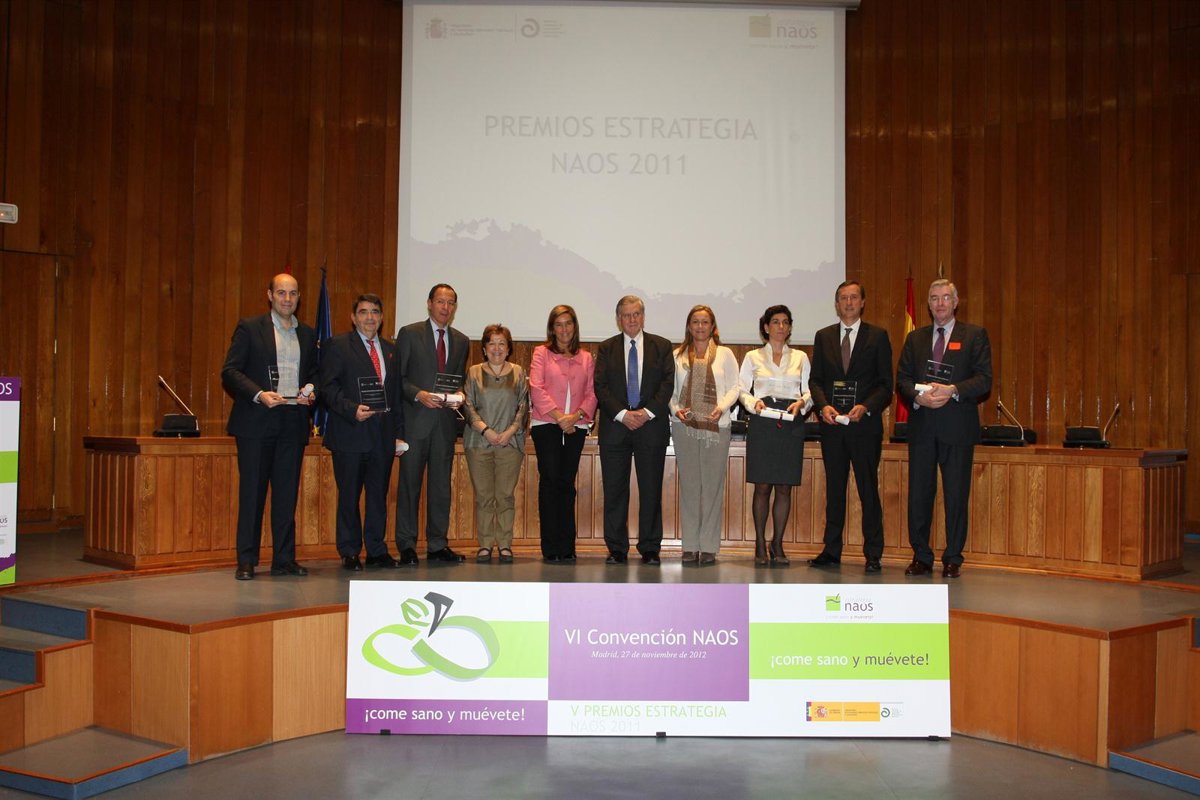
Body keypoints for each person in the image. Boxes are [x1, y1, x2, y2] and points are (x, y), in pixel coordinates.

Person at [221, 273, 317, 581]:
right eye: (281, 293)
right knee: (252, 494)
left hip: (293, 422)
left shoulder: (307, 334)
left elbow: (314, 374)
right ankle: (247, 560)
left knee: (286, 496)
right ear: (270, 295)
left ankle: (284, 559)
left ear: (299, 297)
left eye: (293, 293)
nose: (287, 299)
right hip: (256, 423)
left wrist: (310, 390)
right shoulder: (250, 328)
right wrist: (260, 394)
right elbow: (230, 371)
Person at [896, 278, 992, 578]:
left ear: (956, 302)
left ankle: (953, 557)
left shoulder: (974, 335)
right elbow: (902, 379)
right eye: (934, 298)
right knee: (919, 496)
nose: (940, 303)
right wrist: (917, 397)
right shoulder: (915, 338)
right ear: (928, 304)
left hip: (957, 428)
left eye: (945, 297)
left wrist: (953, 390)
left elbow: (984, 379)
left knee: (956, 496)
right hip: (923, 427)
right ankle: (921, 556)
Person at [808, 281, 894, 573]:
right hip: (832, 427)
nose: (848, 303)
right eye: (843, 298)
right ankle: (831, 550)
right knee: (834, 490)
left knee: (868, 490)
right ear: (836, 304)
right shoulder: (824, 337)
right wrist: (823, 407)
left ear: (862, 302)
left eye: (853, 297)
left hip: (864, 427)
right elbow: (816, 381)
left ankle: (873, 553)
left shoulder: (878, 336)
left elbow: (885, 385)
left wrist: (866, 407)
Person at [318, 293, 405, 571]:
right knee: (349, 496)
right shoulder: (338, 346)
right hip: (350, 433)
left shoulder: (391, 350)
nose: (370, 317)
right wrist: (351, 409)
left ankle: (377, 550)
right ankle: (350, 550)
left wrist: (398, 433)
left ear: (381, 318)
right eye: (364, 312)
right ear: (353, 317)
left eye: (375, 312)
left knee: (378, 496)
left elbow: (395, 394)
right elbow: (327, 387)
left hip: (382, 437)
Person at [593, 295, 674, 565]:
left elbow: (667, 384)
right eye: (626, 315)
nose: (632, 319)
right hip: (616, 428)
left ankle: (650, 548)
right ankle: (617, 548)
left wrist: (646, 413)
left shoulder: (661, 346)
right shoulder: (606, 348)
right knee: (615, 491)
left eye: (636, 314)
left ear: (643, 316)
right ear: (619, 319)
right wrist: (623, 415)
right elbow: (600, 387)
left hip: (651, 428)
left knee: (651, 490)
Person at [395, 284, 470, 565]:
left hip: (444, 425)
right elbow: (398, 378)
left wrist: (458, 395)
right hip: (415, 423)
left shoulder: (461, 340)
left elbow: (457, 380)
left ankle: (438, 545)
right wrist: (419, 394)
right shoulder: (409, 333)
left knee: (441, 489)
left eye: (450, 302)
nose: (445, 307)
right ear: (429, 303)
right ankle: (406, 545)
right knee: (409, 487)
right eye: (440, 301)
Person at [739, 305, 811, 566]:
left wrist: (802, 403)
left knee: (784, 487)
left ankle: (777, 542)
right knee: (762, 486)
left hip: (790, 423)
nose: (781, 327)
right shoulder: (753, 357)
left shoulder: (801, 357)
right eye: (775, 322)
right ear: (766, 327)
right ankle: (759, 542)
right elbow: (741, 389)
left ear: (790, 327)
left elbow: (810, 391)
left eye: (785, 322)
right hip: (763, 422)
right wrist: (753, 403)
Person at [669, 305, 741, 565]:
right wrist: (675, 410)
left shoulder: (725, 354)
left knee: (712, 487)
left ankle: (709, 546)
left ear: (713, 326)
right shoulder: (677, 356)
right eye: (695, 322)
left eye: (705, 322)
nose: (700, 327)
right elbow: (669, 391)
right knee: (689, 487)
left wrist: (721, 407)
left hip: (716, 427)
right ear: (689, 326)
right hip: (684, 427)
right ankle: (690, 546)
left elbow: (735, 387)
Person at [529, 305, 597, 564]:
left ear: (575, 327)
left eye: (568, 323)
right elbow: (536, 387)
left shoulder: (586, 357)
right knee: (550, 481)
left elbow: (592, 393)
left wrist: (575, 417)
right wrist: (560, 417)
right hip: (546, 424)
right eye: (559, 324)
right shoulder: (541, 353)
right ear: (552, 328)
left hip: (576, 427)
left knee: (567, 484)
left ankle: (567, 546)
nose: (564, 329)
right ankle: (550, 547)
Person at [462, 324, 529, 564]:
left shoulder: (519, 372)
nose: (497, 348)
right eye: (492, 343)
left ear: (508, 348)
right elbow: (468, 406)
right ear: (484, 348)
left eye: (502, 343)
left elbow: (523, 406)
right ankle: (485, 544)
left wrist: (509, 431)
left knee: (505, 496)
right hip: (478, 442)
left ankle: (505, 544)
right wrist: (486, 430)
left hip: (510, 443)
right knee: (484, 496)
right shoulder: (473, 372)